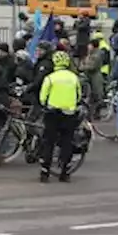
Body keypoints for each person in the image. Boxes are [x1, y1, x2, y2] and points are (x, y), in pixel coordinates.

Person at [37, 51, 82, 183]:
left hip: (52, 113)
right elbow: (79, 95)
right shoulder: (74, 78)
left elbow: (42, 98)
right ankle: (65, 172)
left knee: (49, 142)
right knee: (67, 142)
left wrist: (46, 104)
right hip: (69, 113)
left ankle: (45, 171)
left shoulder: (50, 78)